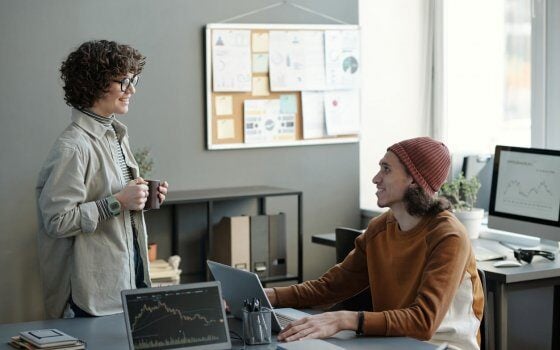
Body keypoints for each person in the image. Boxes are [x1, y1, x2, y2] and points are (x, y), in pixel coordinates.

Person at [265, 137, 484, 350]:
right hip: (391, 342)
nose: (376, 178)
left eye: (386, 169)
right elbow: (330, 287)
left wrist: (345, 319)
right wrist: (268, 295)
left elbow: (423, 322)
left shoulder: (449, 236)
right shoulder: (379, 228)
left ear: (414, 179)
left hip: (442, 345)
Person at [36, 40, 169, 318]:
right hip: (89, 302)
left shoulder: (116, 134)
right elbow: (55, 221)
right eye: (124, 81)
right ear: (95, 84)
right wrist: (117, 202)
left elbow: (110, 197)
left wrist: (141, 197)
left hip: (123, 287)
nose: (132, 89)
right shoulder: (73, 147)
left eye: (134, 80)